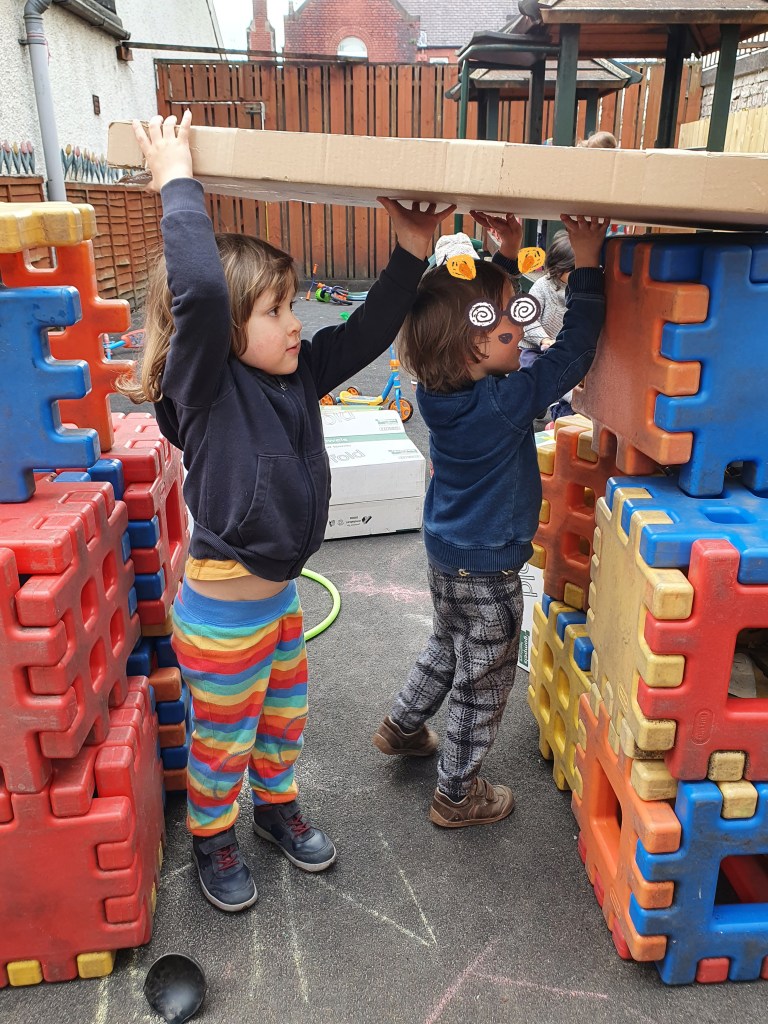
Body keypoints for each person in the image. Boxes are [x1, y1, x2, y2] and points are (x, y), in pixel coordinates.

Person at [121, 111, 455, 911]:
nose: (295, 322)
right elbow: (201, 292)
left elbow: (368, 331)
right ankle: (213, 837)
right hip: (220, 620)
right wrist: (177, 182)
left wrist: (411, 250)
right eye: (274, 311)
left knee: (281, 725)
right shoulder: (205, 388)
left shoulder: (297, 373)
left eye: (292, 305)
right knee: (222, 742)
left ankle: (275, 810)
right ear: (223, 331)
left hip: (277, 606)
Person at [372, 211, 608, 828]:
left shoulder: (437, 392)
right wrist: (587, 263)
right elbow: (573, 352)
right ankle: (457, 794)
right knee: (484, 679)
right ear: (472, 345)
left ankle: (403, 725)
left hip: (446, 554)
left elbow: (474, 321)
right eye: (508, 317)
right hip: (489, 568)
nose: (520, 324)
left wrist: (506, 254)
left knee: (447, 643)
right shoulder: (507, 401)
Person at [518, 230, 575, 369]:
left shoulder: (579, 290)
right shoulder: (543, 286)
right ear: (559, 266)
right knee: (532, 367)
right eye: (573, 270)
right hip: (533, 347)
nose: (577, 274)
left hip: (561, 350)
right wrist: (544, 339)